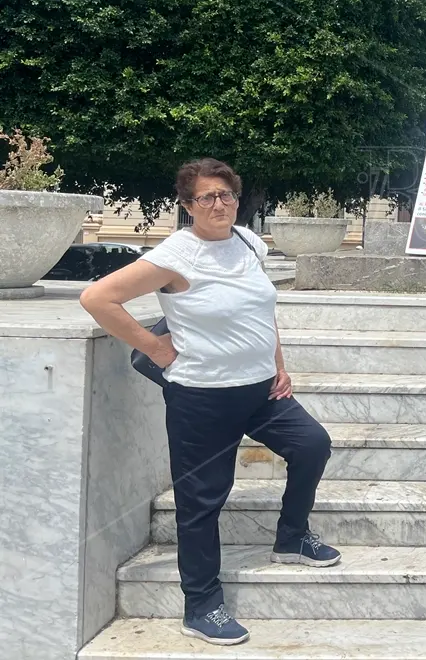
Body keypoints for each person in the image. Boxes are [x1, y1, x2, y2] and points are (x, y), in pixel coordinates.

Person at [80, 158, 339, 646]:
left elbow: (261, 311)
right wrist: (155, 347)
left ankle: (291, 537)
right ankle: (201, 605)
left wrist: (278, 363)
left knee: (312, 445)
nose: (218, 204)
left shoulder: (249, 242)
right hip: (202, 397)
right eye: (206, 197)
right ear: (187, 205)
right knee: (201, 502)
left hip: (261, 389)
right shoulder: (176, 254)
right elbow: (97, 298)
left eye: (225, 195)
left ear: (236, 199)